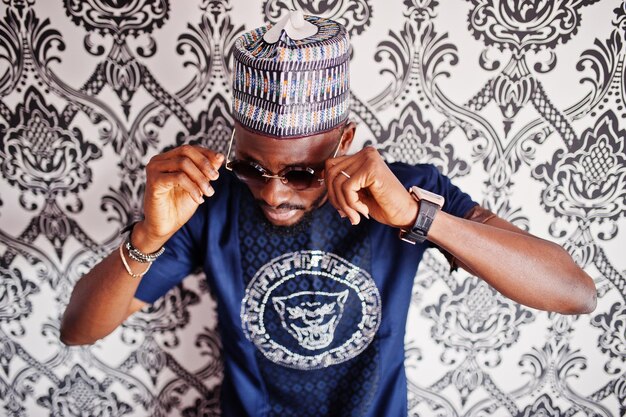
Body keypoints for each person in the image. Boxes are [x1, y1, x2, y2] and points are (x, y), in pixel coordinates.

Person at [60, 11, 596, 417]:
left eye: (300, 173)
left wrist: (417, 217)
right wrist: (149, 235)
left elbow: (573, 291)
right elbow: (79, 331)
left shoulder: (406, 192)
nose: (271, 195)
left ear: (343, 140)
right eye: (251, 167)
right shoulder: (209, 201)